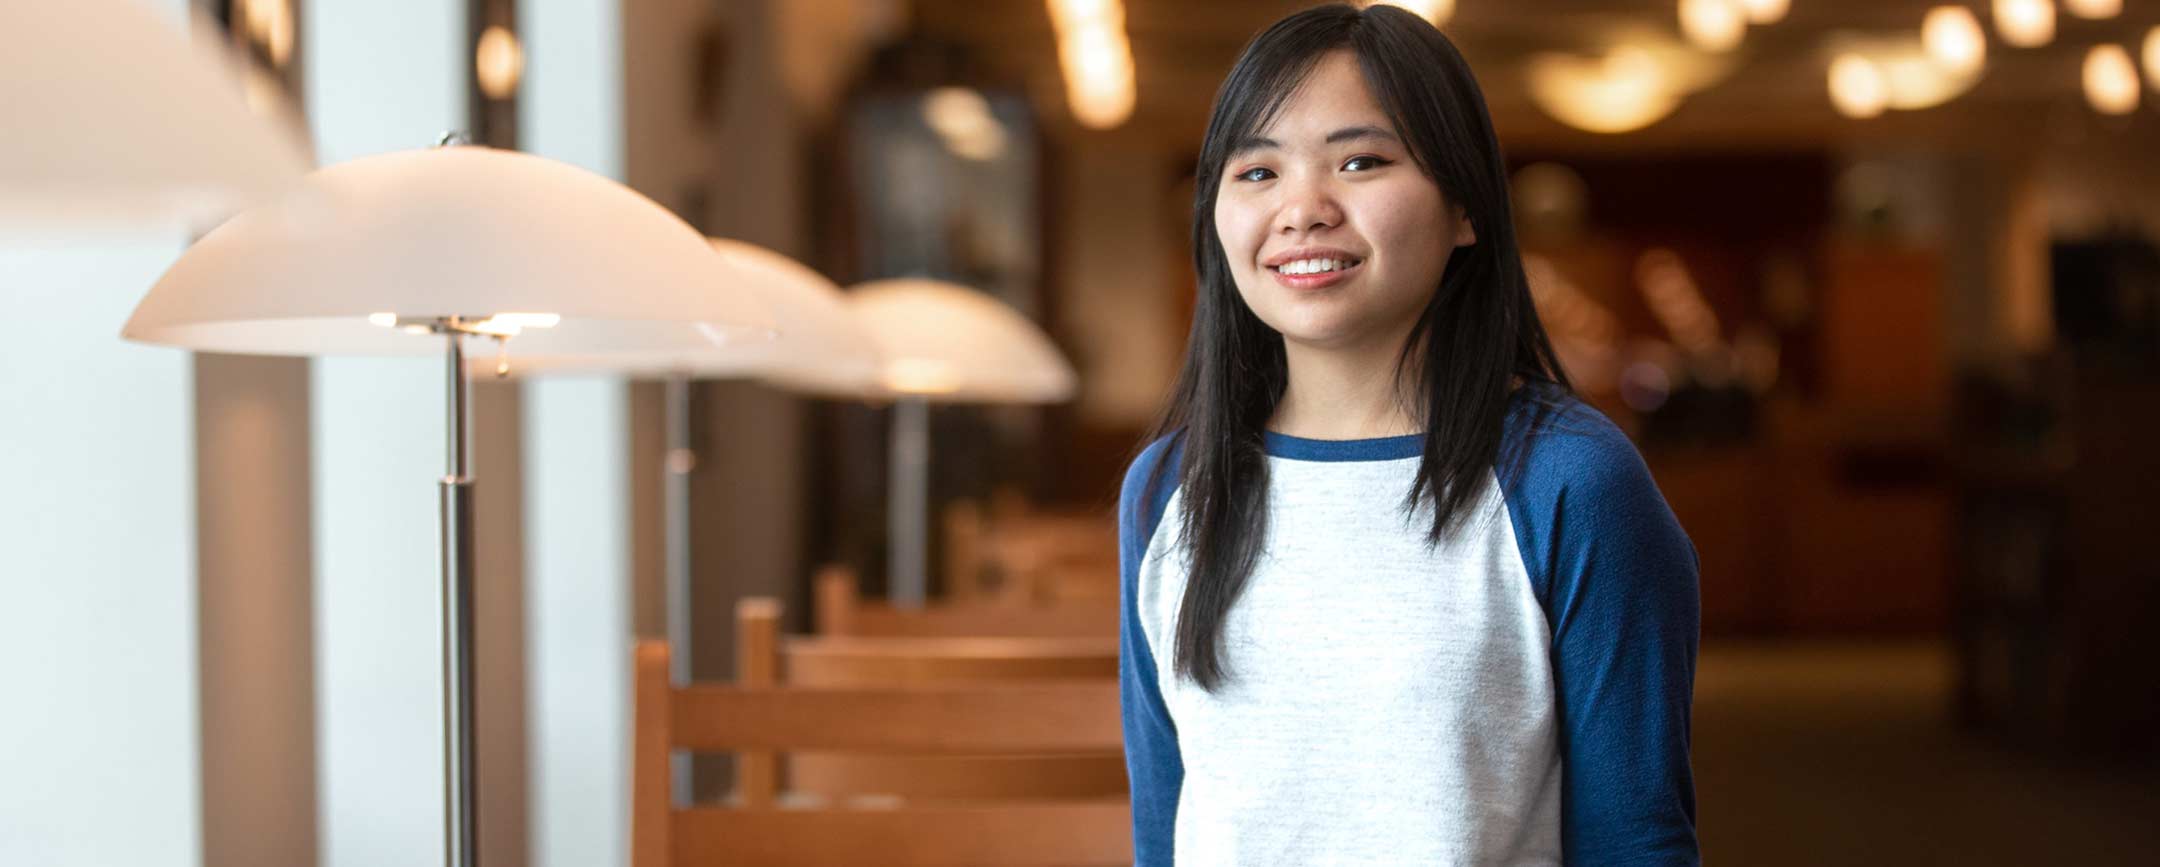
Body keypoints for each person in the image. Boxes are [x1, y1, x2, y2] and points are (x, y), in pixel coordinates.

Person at [1117, 4, 1701, 865]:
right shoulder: (1171, 486)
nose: (1302, 208)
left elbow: (1634, 840)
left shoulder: (1569, 480)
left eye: (1361, 161)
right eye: (1257, 172)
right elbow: (1163, 827)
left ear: (1465, 207)